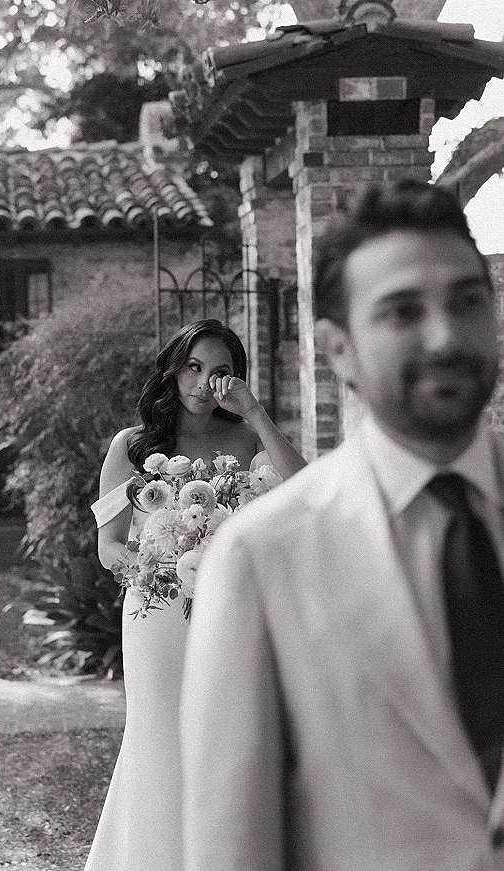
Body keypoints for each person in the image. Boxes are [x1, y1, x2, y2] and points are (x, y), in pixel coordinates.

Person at [181, 179, 504, 871]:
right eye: (402, 312)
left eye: (467, 302)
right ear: (337, 350)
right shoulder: (260, 557)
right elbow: (232, 848)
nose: (446, 337)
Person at [83, 318, 306, 871]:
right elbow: (108, 546)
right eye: (193, 367)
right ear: (173, 370)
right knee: (158, 737)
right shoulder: (132, 446)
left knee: (229, 738)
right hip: (158, 609)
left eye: (220, 372)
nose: (204, 384)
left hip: (231, 613)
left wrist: (255, 413)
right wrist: (150, 566)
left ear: (236, 379)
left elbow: (305, 490)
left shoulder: (248, 439)